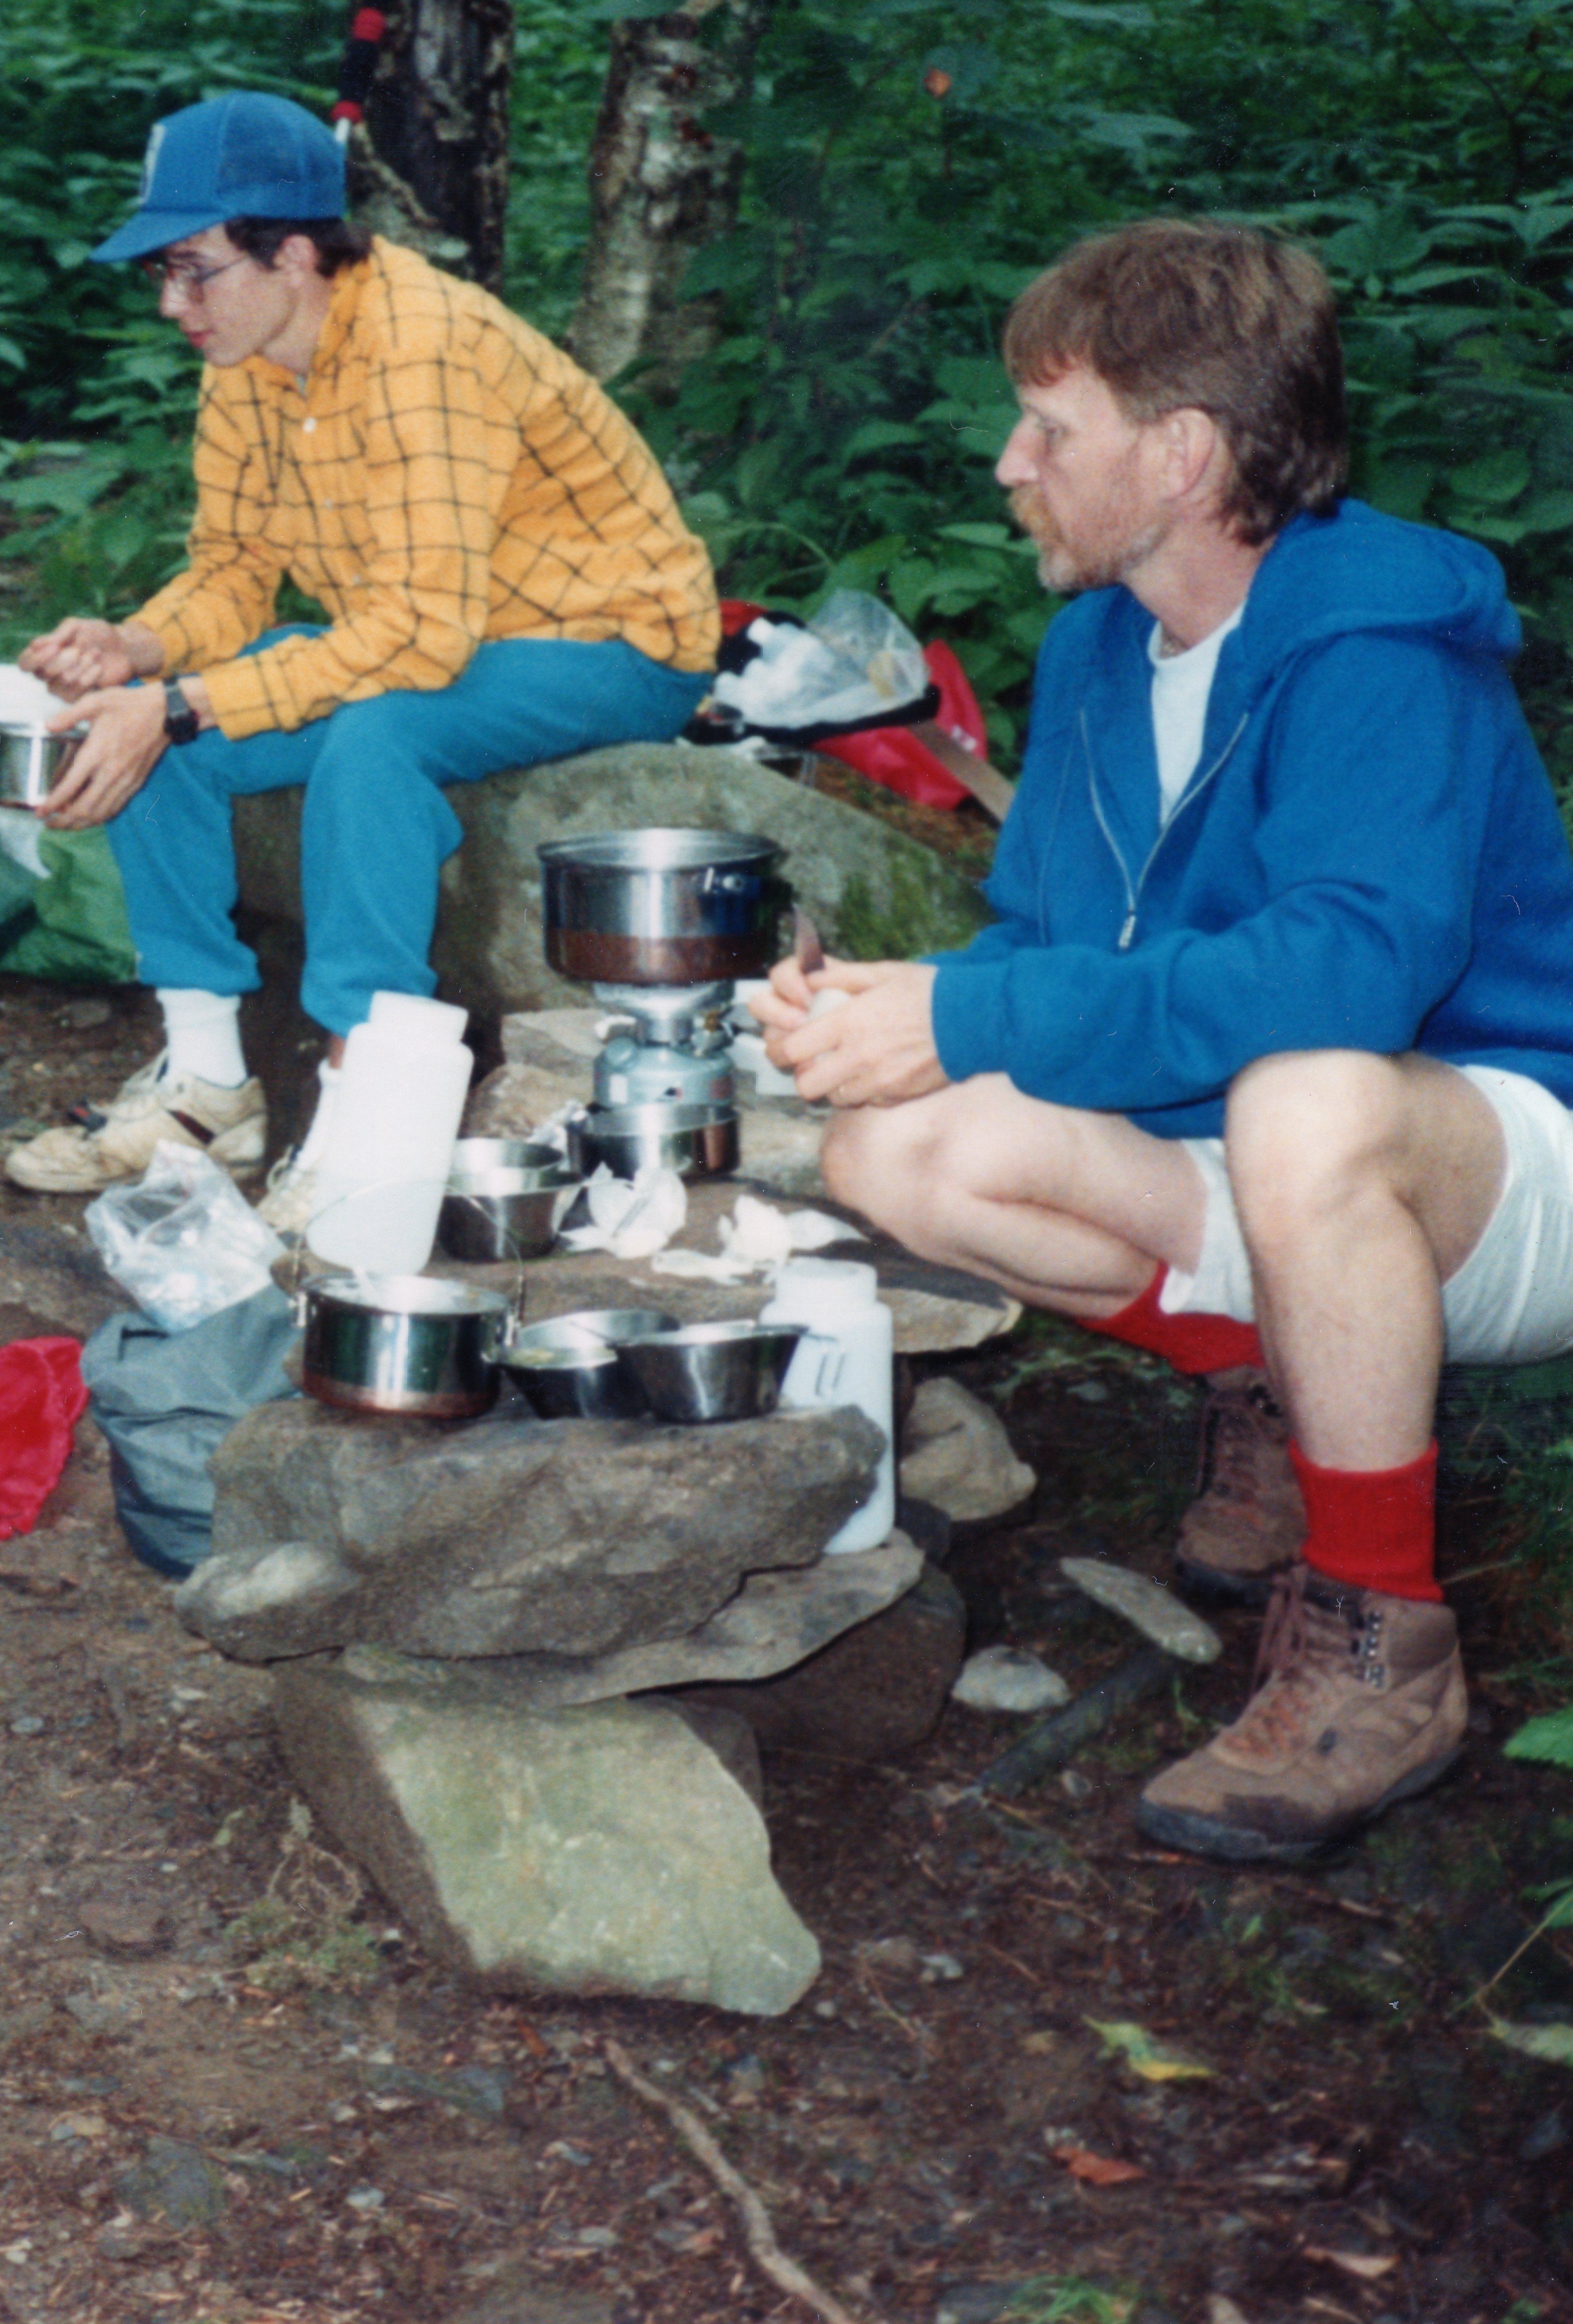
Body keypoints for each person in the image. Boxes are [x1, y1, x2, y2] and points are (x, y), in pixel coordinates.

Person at [753, 220, 1573, 1864]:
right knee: (894, 1146)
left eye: (1050, 428)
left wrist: (976, 1015)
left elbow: (1351, 974)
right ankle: (1273, 1386)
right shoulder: (1096, 647)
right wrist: (898, 1007)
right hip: (1253, 1147)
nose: (1011, 464)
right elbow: (1056, 951)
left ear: (1183, 452)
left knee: (1306, 1095)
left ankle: (1381, 1644)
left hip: (1496, 1163)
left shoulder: (1378, 645)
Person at [0, 92, 719, 1221]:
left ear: (292, 254)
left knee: (375, 734)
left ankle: (366, 1116)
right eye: (160, 274)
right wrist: (134, 647)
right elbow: (236, 570)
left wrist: (186, 702)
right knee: (155, 723)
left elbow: (418, 641)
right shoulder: (247, 360)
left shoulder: (426, 349)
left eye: (194, 270)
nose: (172, 303)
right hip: (448, 634)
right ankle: (207, 1083)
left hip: (612, 642)